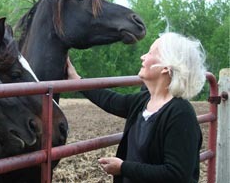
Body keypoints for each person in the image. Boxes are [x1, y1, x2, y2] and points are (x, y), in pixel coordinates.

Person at [66, 32, 207, 183]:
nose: (143, 56)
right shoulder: (143, 101)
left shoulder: (181, 114)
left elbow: (176, 174)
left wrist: (123, 168)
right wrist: (77, 80)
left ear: (166, 67)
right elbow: (110, 101)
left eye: (151, 52)